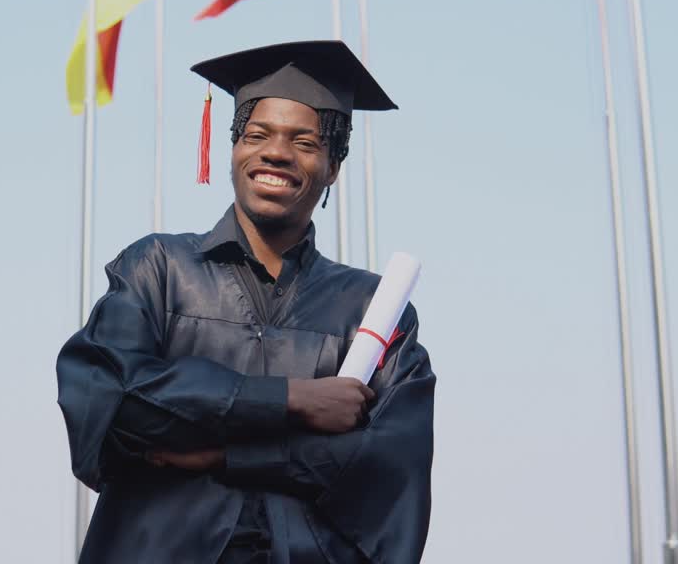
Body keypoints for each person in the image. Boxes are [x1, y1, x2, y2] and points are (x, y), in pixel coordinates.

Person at [56, 40, 435, 563]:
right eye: (257, 134)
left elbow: (391, 467)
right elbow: (114, 404)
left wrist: (222, 452)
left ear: (333, 166)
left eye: (304, 141)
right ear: (233, 149)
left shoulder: (373, 309)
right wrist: (293, 400)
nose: (276, 152)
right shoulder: (158, 269)